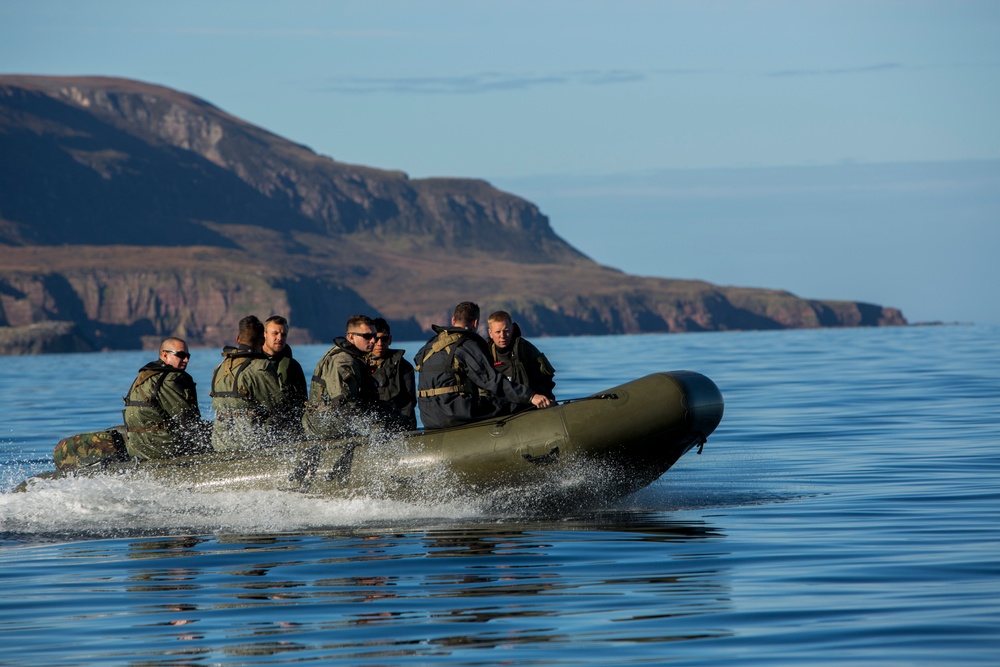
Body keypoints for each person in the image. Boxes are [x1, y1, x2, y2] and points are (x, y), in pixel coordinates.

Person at [413, 301, 551, 430]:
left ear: (453, 321)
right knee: (514, 404)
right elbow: (491, 380)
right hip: (453, 413)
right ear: (475, 323)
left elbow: (418, 361)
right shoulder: (466, 345)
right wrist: (530, 396)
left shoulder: (430, 345)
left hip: (427, 417)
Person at [121, 337, 209, 460]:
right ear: (165, 355)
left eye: (188, 356)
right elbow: (187, 421)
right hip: (162, 448)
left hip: (137, 448)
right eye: (181, 355)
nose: (186, 359)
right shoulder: (170, 379)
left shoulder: (145, 376)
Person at [209, 315, 285, 451]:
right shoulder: (260, 367)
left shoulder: (220, 367)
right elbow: (277, 406)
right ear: (262, 340)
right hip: (250, 442)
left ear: (238, 339)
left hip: (219, 442)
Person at [304, 314, 382, 437]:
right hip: (324, 422)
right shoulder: (343, 362)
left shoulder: (355, 358)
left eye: (374, 336)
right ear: (351, 337)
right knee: (380, 428)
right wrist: (369, 426)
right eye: (367, 336)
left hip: (334, 418)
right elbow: (342, 404)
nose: (373, 341)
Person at [487, 310, 556, 405]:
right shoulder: (484, 353)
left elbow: (546, 378)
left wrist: (544, 399)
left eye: (506, 331)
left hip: (528, 403)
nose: (502, 336)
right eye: (498, 332)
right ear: (490, 333)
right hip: (497, 406)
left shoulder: (525, 349)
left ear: (512, 329)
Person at [263, 315, 308, 441]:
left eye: (283, 334)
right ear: (265, 334)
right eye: (275, 333)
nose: (279, 338)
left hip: (288, 428)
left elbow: (302, 402)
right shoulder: (253, 365)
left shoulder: (293, 367)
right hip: (261, 428)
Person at [369, 317, 417, 431]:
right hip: (369, 427)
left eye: (384, 339)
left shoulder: (404, 367)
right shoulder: (358, 365)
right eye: (376, 339)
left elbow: (409, 404)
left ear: (390, 339)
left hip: (397, 426)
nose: (380, 343)